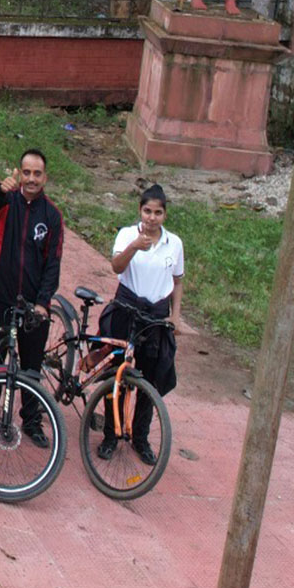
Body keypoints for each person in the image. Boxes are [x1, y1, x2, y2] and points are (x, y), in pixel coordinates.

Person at [0, 149, 65, 444]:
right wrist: (0, 188)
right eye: (27, 173)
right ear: (19, 174)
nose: (31, 178)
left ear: (45, 177)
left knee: (31, 365)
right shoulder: (7, 201)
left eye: (37, 174)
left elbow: (53, 263)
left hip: (33, 304)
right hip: (1, 295)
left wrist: (43, 303)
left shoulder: (52, 216)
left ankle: (32, 421)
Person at [98, 184, 183, 466]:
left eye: (158, 212)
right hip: (127, 308)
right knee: (118, 374)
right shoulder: (126, 235)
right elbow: (117, 267)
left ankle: (141, 437)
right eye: (147, 211)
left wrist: (176, 314)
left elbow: (178, 281)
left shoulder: (175, 244)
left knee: (151, 378)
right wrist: (135, 246)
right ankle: (111, 434)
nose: (151, 218)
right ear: (139, 211)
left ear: (165, 215)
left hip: (156, 315)